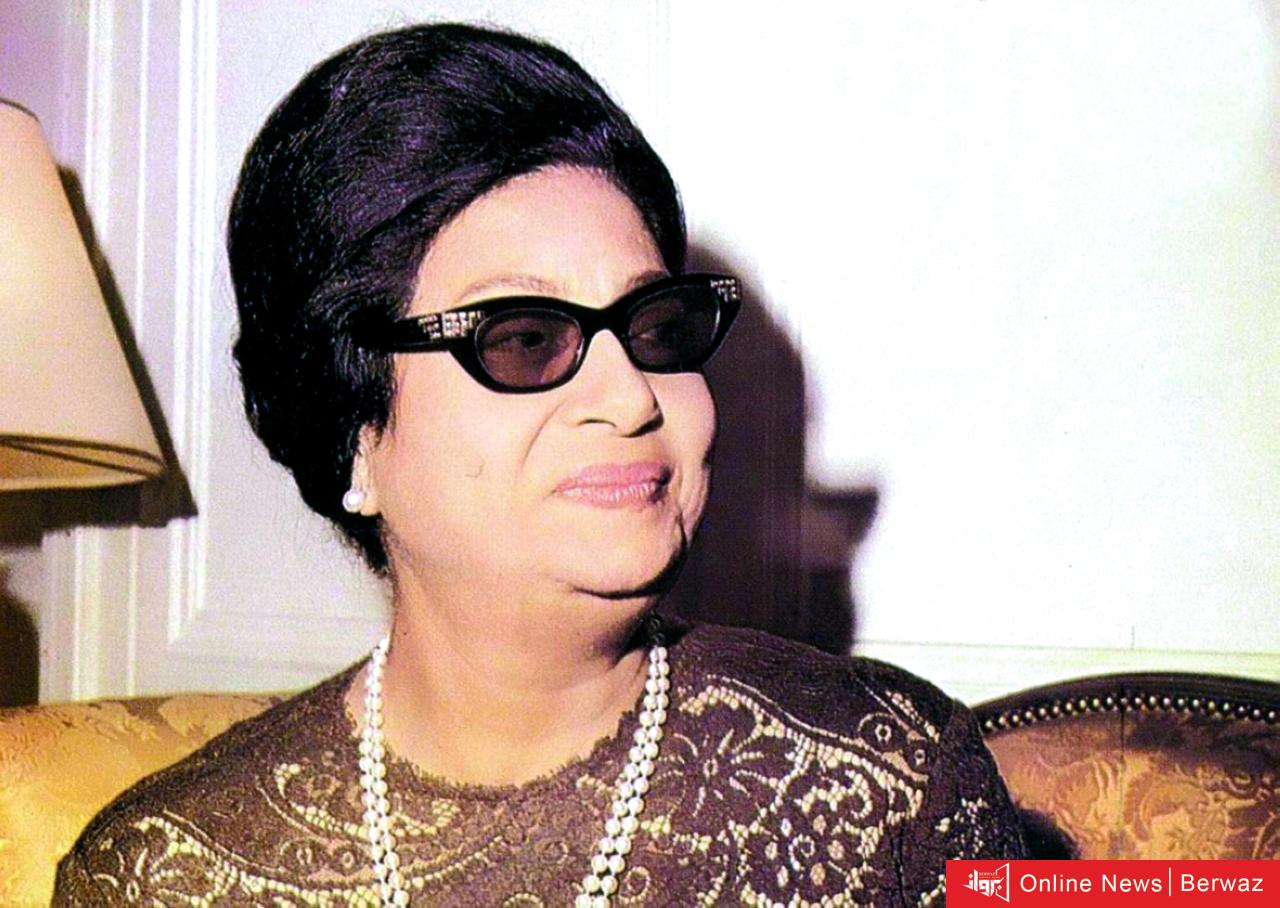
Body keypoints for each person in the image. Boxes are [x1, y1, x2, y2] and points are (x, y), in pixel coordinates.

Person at [53, 22, 1026, 906]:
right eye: (523, 338)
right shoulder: (158, 871)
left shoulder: (898, 780)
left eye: (653, 326)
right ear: (352, 429)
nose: (632, 396)